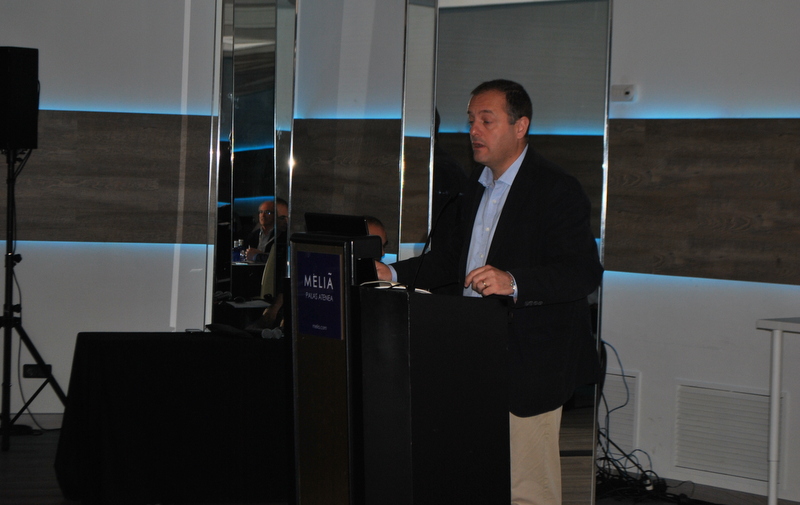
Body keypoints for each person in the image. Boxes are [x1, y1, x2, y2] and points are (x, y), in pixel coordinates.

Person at [376, 79, 603, 505]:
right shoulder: (473, 186)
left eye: (486, 120)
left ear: (520, 126)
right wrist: (390, 273)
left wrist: (513, 281)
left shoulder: (556, 188)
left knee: (527, 489)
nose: (474, 131)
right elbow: (450, 260)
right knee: (474, 472)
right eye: (470, 121)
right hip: (472, 355)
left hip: (530, 362)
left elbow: (582, 272)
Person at [245, 197, 289, 262]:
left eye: (267, 212)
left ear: (275, 215)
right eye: (261, 212)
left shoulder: (282, 235)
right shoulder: (253, 235)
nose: (263, 215)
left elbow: (279, 258)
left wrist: (257, 256)